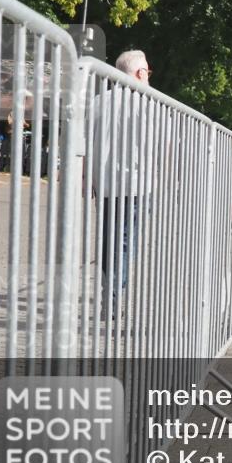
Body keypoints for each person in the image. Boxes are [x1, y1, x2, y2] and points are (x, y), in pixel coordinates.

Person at [92, 50, 152, 314]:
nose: (149, 77)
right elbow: (165, 144)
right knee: (126, 241)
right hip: (136, 183)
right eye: (148, 72)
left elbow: (85, 140)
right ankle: (113, 296)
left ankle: (111, 291)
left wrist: (86, 178)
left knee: (108, 240)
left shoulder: (98, 101)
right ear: (139, 73)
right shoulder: (148, 102)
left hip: (104, 182)